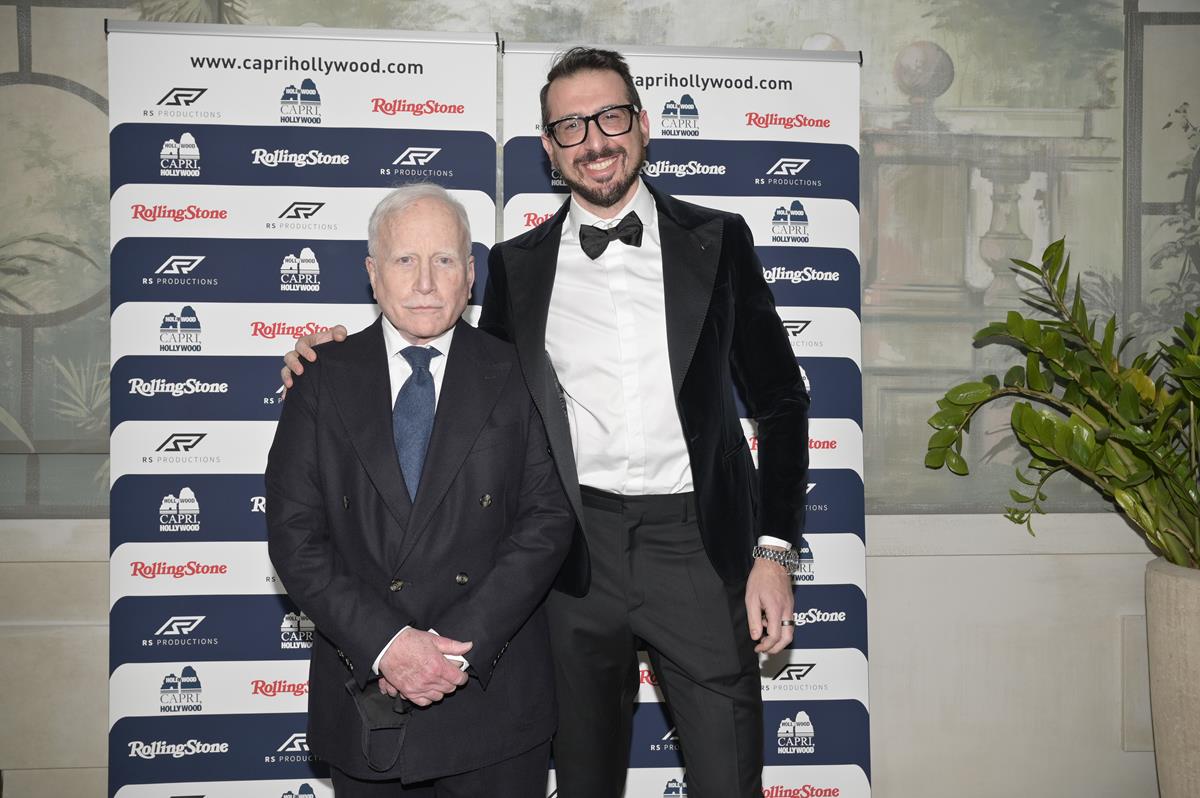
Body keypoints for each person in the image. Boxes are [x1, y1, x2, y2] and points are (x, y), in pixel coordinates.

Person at [281, 47, 809, 798]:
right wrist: (340, 359)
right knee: (585, 781)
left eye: (610, 117)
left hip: (698, 546)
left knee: (729, 779)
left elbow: (783, 400)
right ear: (549, 148)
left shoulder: (720, 240)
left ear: (643, 124)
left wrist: (775, 552)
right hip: (572, 556)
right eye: (570, 126)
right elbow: (463, 385)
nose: (594, 140)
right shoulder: (516, 267)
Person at [266, 182, 573, 797]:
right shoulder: (320, 380)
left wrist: (451, 652)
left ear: (471, 276)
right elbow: (296, 538)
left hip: (492, 700)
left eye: (444, 260)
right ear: (373, 274)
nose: (426, 282)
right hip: (369, 697)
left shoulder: (523, 373)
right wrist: (388, 646)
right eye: (405, 259)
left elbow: (547, 522)